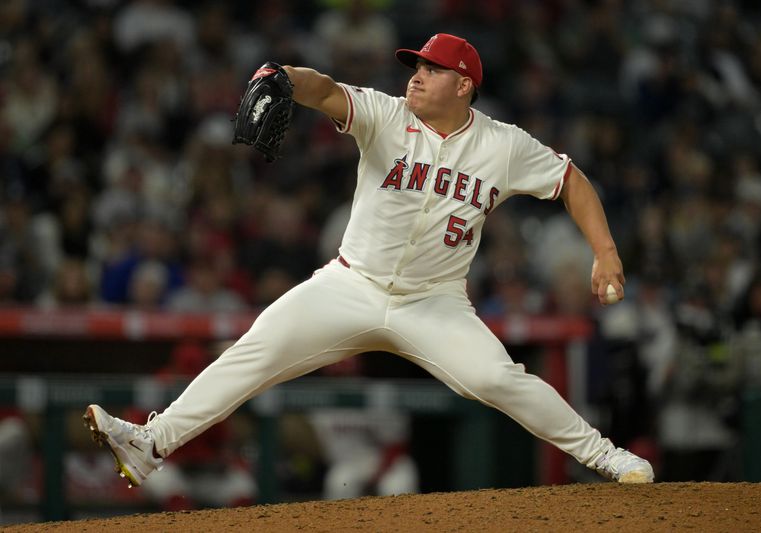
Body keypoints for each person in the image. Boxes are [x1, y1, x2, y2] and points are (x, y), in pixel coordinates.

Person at [84, 33, 654, 491]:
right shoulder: (386, 113)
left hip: (434, 303)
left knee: (499, 379)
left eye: (430, 69)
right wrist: (285, 77)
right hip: (350, 285)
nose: (416, 75)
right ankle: (151, 443)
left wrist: (605, 253)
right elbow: (326, 90)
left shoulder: (503, 146)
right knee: (255, 350)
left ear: (463, 85)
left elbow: (572, 182)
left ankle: (605, 456)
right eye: (416, 65)